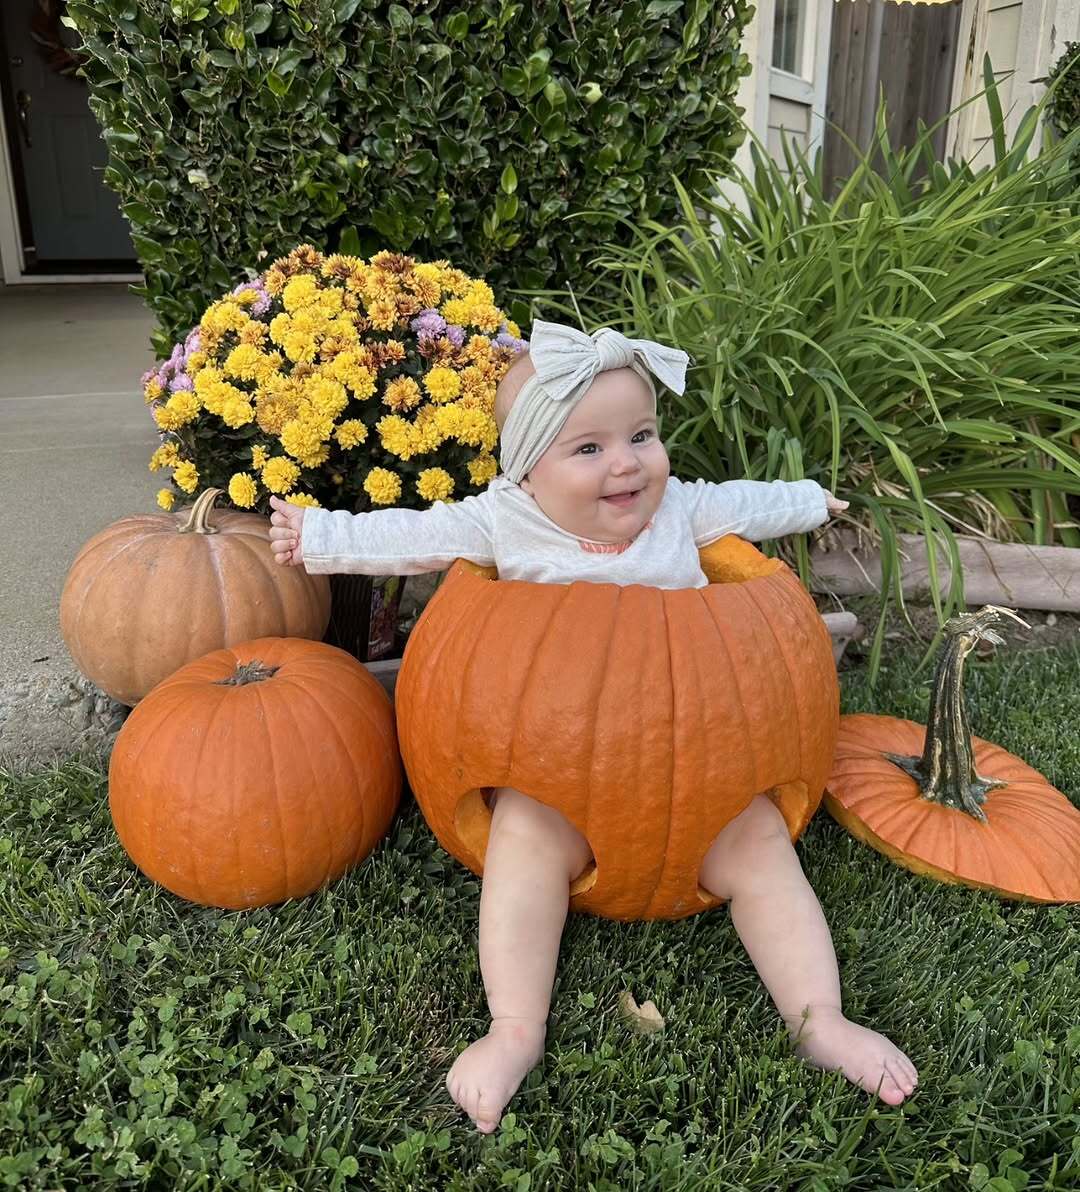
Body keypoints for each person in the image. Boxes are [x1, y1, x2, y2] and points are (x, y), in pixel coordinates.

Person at [268, 320, 918, 1133]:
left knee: (761, 846)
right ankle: (514, 1028)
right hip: (559, 779)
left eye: (641, 435)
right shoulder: (504, 522)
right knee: (523, 841)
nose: (627, 462)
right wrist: (319, 535)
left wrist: (806, 500)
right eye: (589, 449)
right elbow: (415, 533)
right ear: (529, 468)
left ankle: (821, 1018)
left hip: (702, 769)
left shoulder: (679, 511)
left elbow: (742, 504)